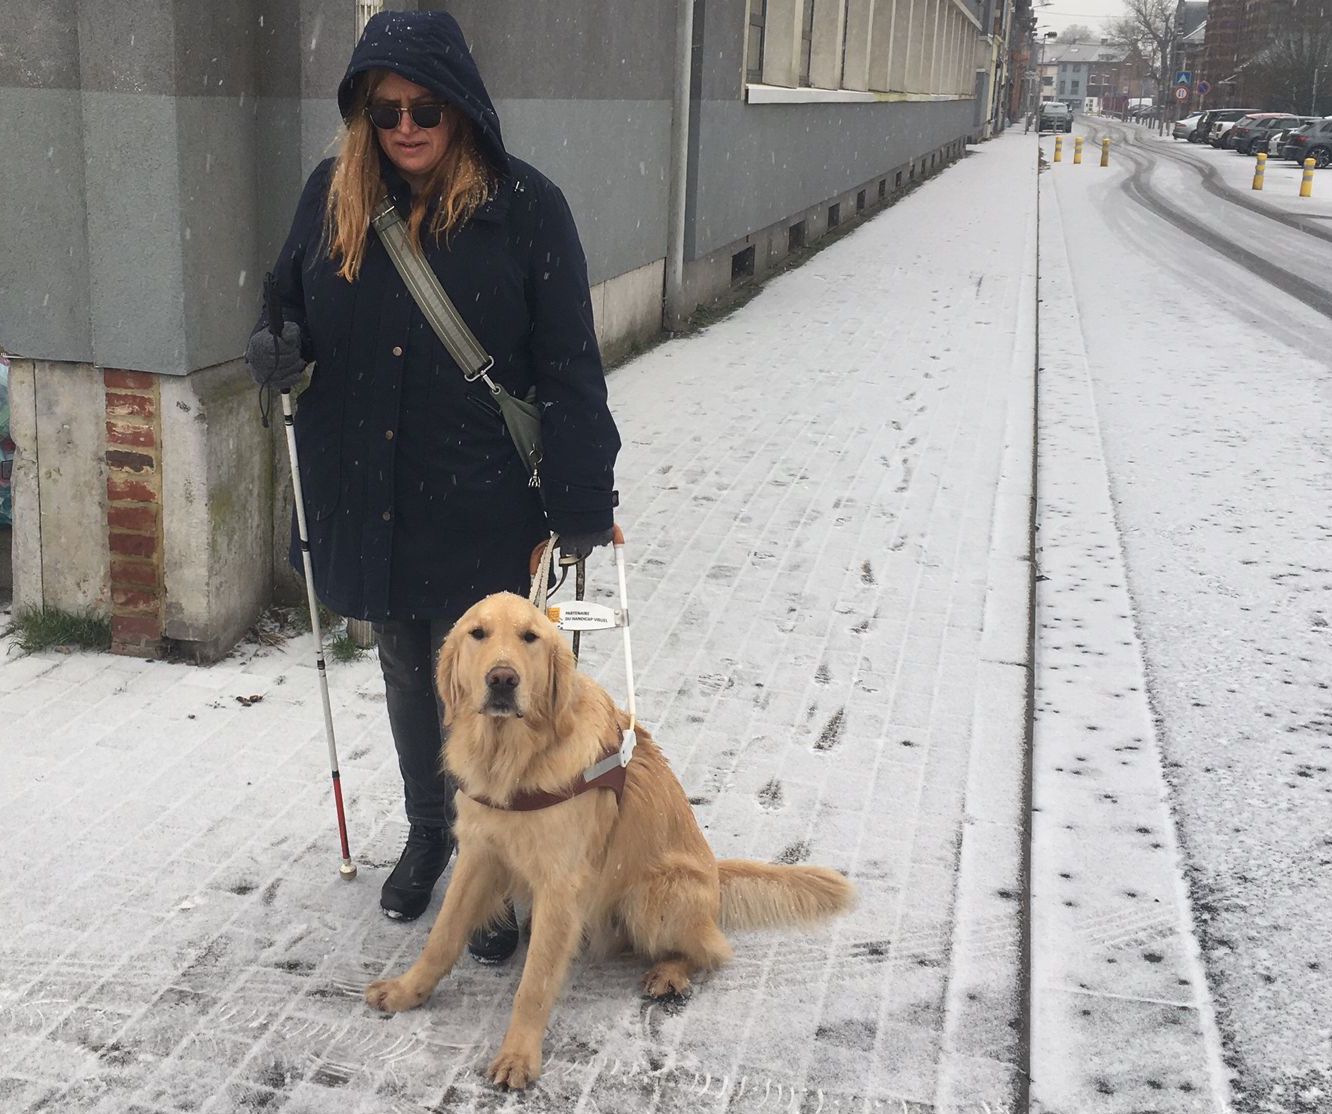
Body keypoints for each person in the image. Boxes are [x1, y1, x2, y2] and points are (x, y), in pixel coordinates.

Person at [245, 10, 620, 963]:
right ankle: (431, 830)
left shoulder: (527, 208)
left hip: (485, 497)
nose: (405, 127)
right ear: (361, 115)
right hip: (368, 483)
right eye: (384, 110)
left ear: (461, 110)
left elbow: (571, 368)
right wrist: (273, 347)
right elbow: (282, 301)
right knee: (412, 672)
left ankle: (493, 861)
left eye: (424, 108)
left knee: (499, 686)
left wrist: (581, 505)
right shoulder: (331, 197)